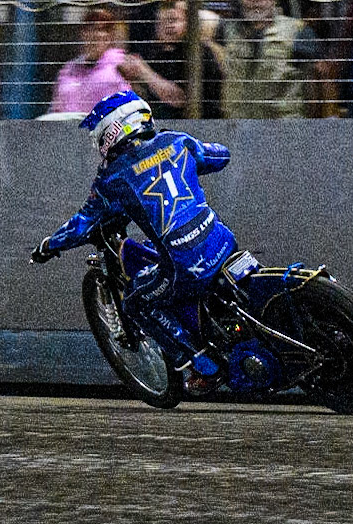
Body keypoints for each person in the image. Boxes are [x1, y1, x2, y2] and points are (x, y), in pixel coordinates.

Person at [27, 92, 240, 392]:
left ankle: (204, 364)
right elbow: (221, 155)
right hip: (223, 241)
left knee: (137, 303)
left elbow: (82, 223)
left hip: (187, 266)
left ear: (112, 131)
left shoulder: (113, 178)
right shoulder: (177, 141)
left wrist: (48, 246)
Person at [218, 0, 322, 119]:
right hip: (237, 128)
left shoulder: (297, 31)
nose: (256, 1)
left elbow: (318, 78)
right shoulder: (227, 30)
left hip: (282, 130)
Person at [49, 8, 183, 115]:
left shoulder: (123, 62)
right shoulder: (69, 69)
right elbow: (55, 109)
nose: (96, 35)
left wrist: (144, 71)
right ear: (82, 33)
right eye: (90, 28)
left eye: (103, 29)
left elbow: (176, 98)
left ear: (110, 37)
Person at [134, 0, 226, 120]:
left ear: (187, 23)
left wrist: (144, 72)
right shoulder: (156, 54)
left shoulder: (199, 53)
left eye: (174, 20)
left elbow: (178, 98)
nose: (168, 26)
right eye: (162, 22)